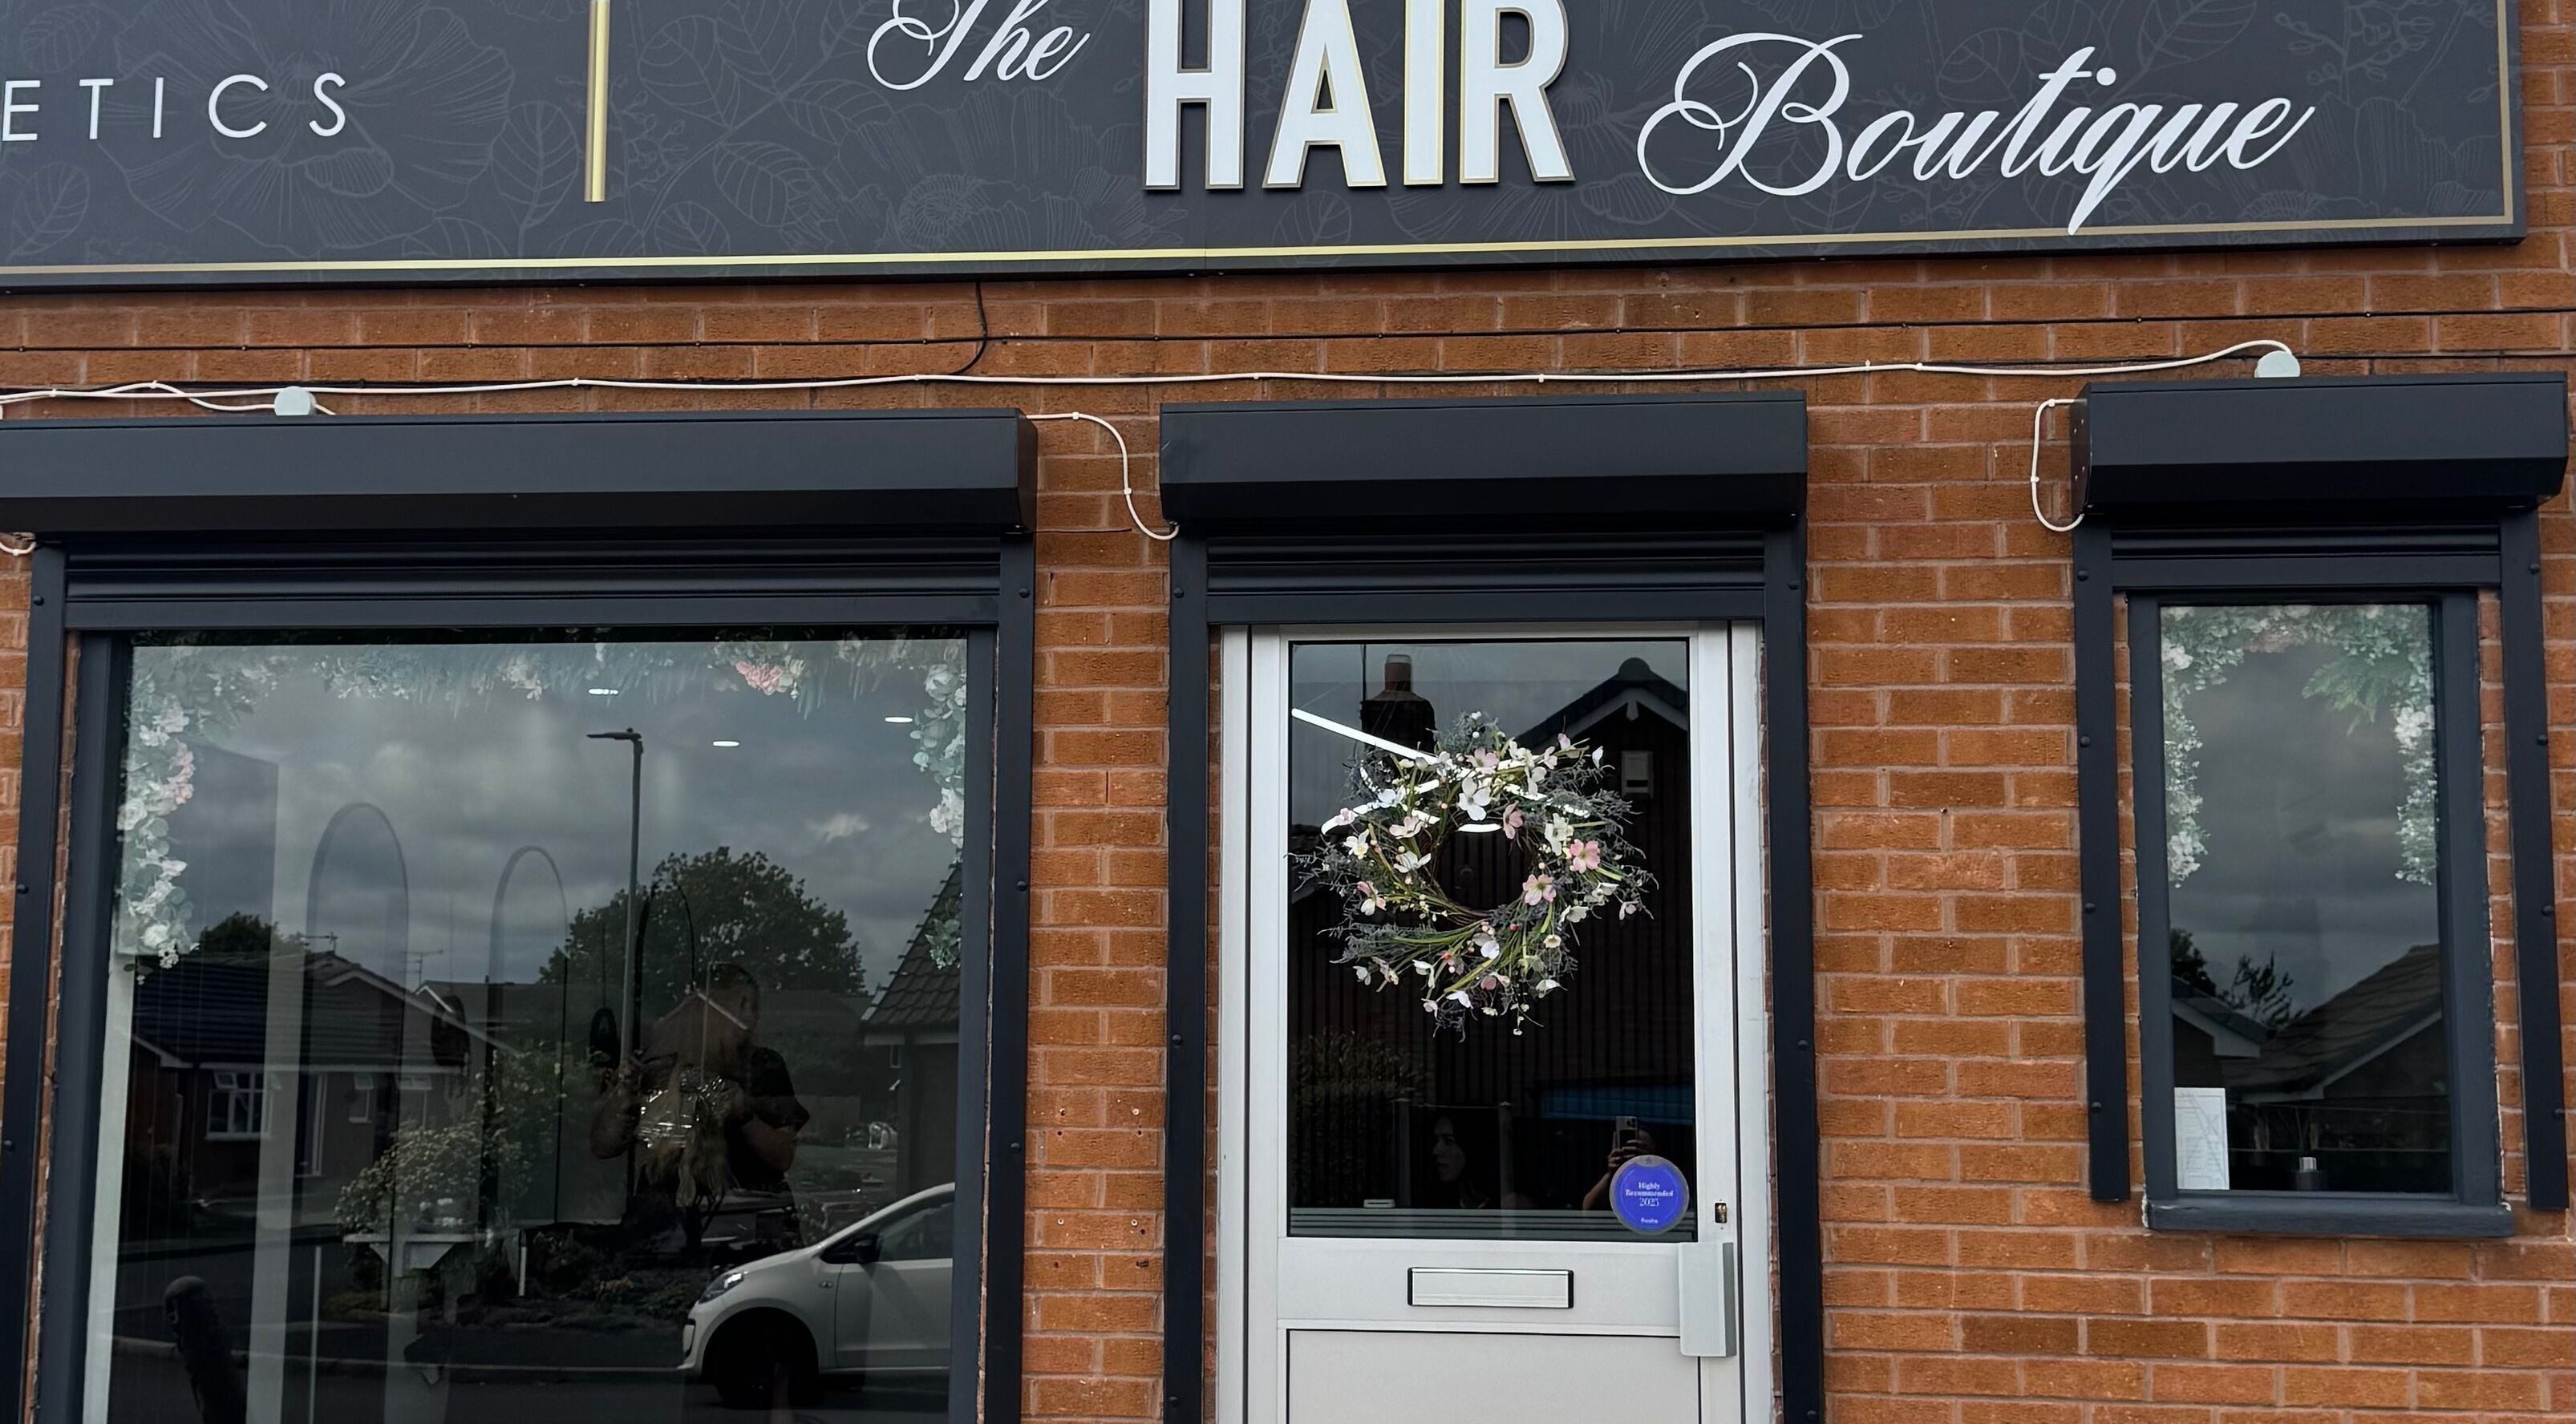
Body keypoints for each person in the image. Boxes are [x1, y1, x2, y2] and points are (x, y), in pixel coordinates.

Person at [589, 962, 810, 1251]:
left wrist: (744, 1114)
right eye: (741, 1005)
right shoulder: (658, 1067)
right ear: (703, 1008)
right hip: (666, 1228)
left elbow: (783, 1156)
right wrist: (623, 1097)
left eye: (754, 1007)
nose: (750, 1016)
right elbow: (603, 1146)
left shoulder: (763, 1067)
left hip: (746, 1222)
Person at [1424, 1113, 1535, 1211]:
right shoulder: (1436, 1202)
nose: (1436, 1151)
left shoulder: (1510, 1206)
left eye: (1449, 1141)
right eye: (1436, 1140)